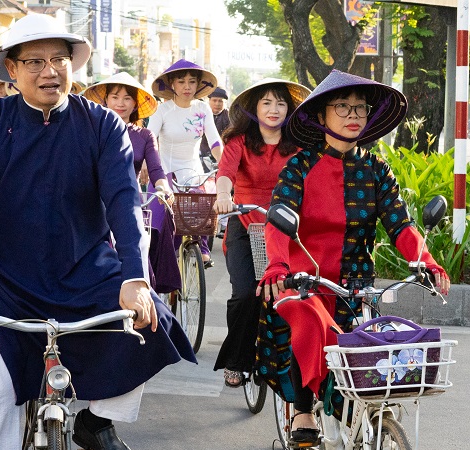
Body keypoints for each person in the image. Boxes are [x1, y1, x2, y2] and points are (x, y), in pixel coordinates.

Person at [0, 13, 195, 450]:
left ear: (73, 65)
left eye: (58, 59)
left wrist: (135, 276)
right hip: (4, 281)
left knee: (149, 323)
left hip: (87, 269)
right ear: (11, 70)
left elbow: (123, 203)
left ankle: (95, 422)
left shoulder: (102, 125)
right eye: (33, 61)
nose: (48, 71)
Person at [258, 70, 450, 442]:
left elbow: (401, 226)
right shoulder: (299, 167)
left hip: (355, 286)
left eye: (360, 108)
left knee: (373, 359)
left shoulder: (377, 171)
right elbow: (278, 222)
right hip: (304, 280)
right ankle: (302, 412)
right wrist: (278, 265)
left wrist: (426, 260)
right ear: (320, 116)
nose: (353, 115)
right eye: (342, 106)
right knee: (308, 318)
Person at [212, 78, 309, 388]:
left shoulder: (299, 143)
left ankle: (290, 360)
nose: (274, 109)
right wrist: (223, 196)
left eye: (280, 103)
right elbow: (225, 174)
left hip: (287, 226)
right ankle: (236, 361)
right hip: (244, 223)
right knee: (245, 293)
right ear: (254, 108)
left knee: (296, 291)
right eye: (266, 103)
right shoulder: (238, 141)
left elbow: (312, 177)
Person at [82, 72, 178, 293]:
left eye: (127, 98)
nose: (120, 103)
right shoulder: (92, 130)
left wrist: (163, 187)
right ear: (105, 100)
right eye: (115, 97)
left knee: (138, 253)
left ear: (135, 104)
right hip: (93, 205)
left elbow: (155, 169)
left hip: (128, 205)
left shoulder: (144, 135)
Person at [148, 59, 224, 267]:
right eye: (181, 81)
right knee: (160, 227)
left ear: (199, 84)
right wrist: (151, 169)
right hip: (164, 173)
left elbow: (215, 140)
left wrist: (225, 165)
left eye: (192, 81)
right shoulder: (162, 110)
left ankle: (201, 246)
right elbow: (151, 139)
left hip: (193, 173)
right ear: (172, 84)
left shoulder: (203, 109)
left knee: (203, 212)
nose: (187, 87)